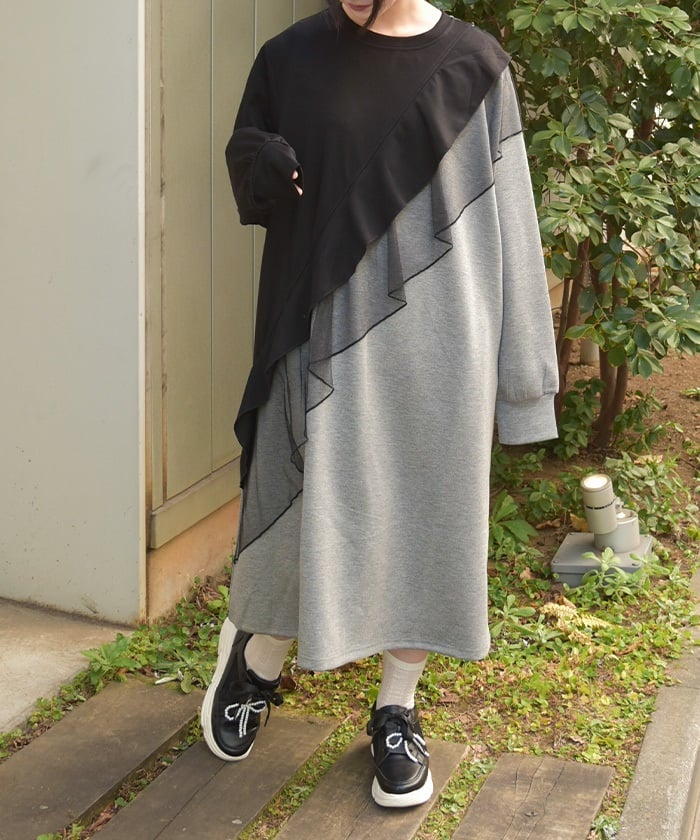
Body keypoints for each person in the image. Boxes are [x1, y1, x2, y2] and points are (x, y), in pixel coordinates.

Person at [201, 0, 558, 809]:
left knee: (428, 523)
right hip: (318, 329)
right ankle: (256, 661)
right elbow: (247, 165)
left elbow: (513, 218)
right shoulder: (290, 57)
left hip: (444, 345)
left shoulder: (474, 66)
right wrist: (261, 164)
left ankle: (397, 708)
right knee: (298, 504)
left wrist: (525, 384)